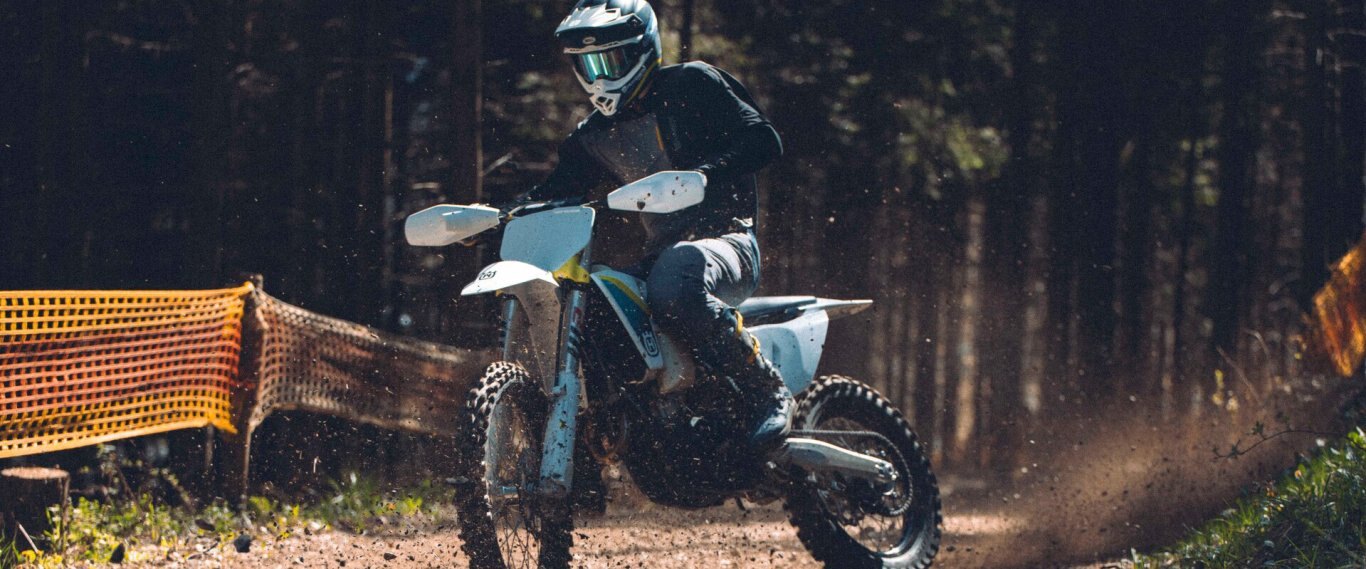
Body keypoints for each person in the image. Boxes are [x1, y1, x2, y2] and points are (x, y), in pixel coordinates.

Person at [525, 0, 793, 458]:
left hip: (728, 240)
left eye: (610, 60)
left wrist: (704, 174)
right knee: (597, 298)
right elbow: (551, 193)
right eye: (588, 65)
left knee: (674, 277)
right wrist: (493, 216)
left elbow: (763, 140)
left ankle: (767, 389)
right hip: (662, 257)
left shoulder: (693, 84)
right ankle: (614, 442)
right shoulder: (592, 135)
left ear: (643, 50)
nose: (600, 77)